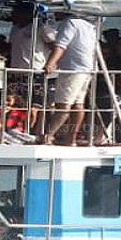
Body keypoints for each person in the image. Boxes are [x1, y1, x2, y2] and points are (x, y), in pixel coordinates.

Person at [42, 11, 98, 145]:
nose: (53, 14)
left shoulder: (69, 23)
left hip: (73, 68)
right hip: (87, 68)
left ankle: (48, 136)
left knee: (63, 105)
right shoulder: (88, 25)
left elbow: (60, 46)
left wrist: (50, 64)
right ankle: (70, 139)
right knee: (78, 104)